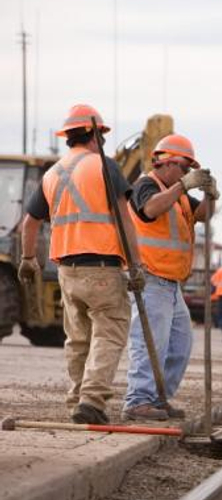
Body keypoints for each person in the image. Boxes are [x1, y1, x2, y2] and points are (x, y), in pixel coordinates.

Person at [18, 104, 144, 425]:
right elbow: (124, 220)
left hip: (66, 270)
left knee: (77, 338)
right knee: (110, 330)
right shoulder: (105, 166)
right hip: (101, 265)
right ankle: (92, 399)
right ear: (96, 134)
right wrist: (136, 264)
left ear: (68, 136)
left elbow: (29, 224)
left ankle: (76, 400)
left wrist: (29, 259)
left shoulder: (52, 174)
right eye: (102, 135)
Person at [122, 134, 218, 421]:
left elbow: (202, 215)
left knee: (179, 345)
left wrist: (210, 196)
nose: (187, 174)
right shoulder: (146, 185)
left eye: (189, 170)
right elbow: (150, 209)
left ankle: (158, 399)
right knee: (150, 343)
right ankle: (138, 400)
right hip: (150, 279)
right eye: (184, 168)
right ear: (167, 162)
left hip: (172, 283)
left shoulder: (177, 194)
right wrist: (182, 186)